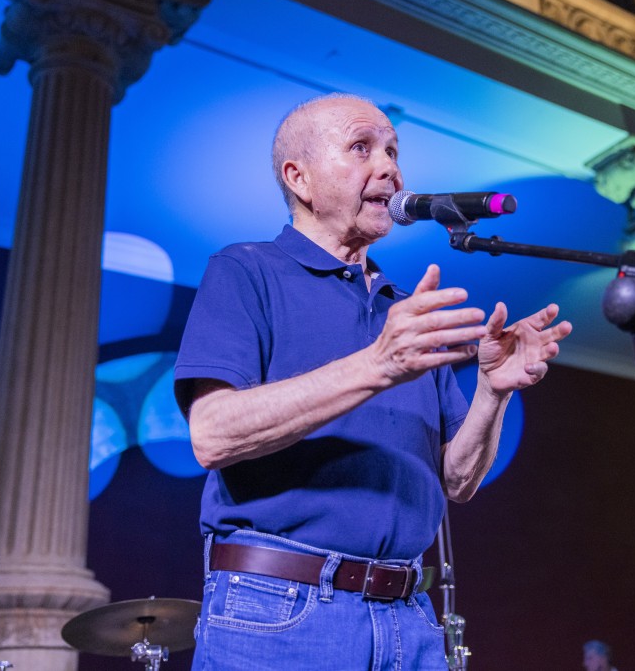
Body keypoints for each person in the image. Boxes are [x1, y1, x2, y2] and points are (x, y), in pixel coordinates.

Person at [174, 93, 572, 670]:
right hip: (280, 611)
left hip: (408, 616)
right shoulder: (245, 270)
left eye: (392, 151)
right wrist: (377, 364)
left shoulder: (406, 311)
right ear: (299, 178)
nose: (389, 166)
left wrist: (493, 391)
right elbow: (212, 435)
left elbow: (458, 481)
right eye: (361, 148)